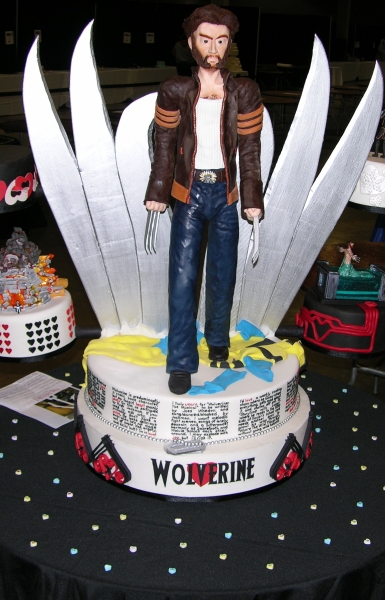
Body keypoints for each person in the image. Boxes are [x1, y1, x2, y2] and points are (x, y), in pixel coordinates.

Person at [144, 4, 263, 394]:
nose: (213, 49)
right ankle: (181, 360)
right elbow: (164, 146)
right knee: (182, 278)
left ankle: (218, 340)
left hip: (226, 194)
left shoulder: (245, 92)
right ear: (191, 42)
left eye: (221, 40)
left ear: (230, 44)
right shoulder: (174, 90)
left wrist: (252, 197)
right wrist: (158, 191)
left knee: (223, 275)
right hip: (189, 193)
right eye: (206, 39)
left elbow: (250, 151)